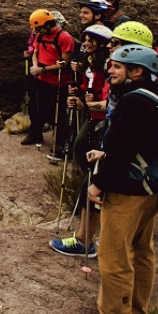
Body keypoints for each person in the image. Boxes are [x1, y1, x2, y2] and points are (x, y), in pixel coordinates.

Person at [79, 44, 158, 314]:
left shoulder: (132, 102)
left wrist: (98, 183)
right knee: (142, 251)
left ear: (137, 71)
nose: (110, 71)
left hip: (128, 189)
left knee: (114, 254)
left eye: (117, 66)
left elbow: (122, 148)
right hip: (151, 187)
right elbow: (143, 143)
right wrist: (105, 156)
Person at [50, 23, 113, 257]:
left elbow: (109, 102)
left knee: (89, 166)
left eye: (90, 40)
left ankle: (85, 240)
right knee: (80, 152)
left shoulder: (108, 66)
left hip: (101, 121)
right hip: (94, 116)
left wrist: (84, 103)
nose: (85, 43)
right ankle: (85, 227)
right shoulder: (94, 63)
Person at [24, 9, 75, 156]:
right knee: (35, 107)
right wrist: (35, 67)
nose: (36, 31)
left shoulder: (64, 38)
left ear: (47, 24)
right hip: (40, 78)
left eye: (38, 27)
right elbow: (35, 53)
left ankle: (59, 143)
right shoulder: (40, 35)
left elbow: (64, 63)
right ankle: (35, 133)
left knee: (57, 114)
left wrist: (43, 70)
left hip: (57, 81)